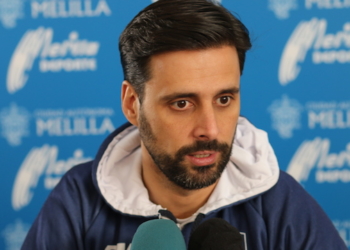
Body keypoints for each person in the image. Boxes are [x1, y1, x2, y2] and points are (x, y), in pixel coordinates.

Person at [22, 0, 347, 249]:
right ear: (132, 104)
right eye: (182, 103)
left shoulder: (280, 204)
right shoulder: (79, 201)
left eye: (223, 100)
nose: (210, 129)